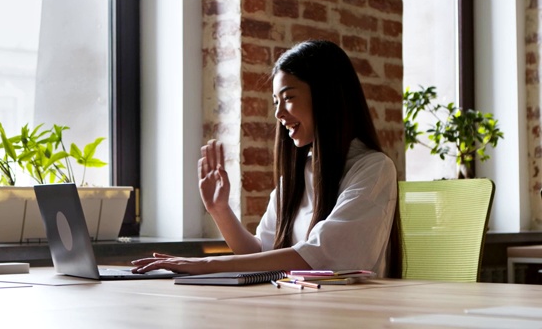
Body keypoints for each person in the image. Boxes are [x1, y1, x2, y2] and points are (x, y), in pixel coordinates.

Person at [132, 40, 402, 278]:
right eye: (276, 102)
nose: (279, 114)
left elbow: (321, 257)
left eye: (288, 98)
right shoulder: (299, 174)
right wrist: (220, 210)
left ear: (326, 97)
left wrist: (208, 263)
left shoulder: (373, 169)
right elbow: (262, 253)